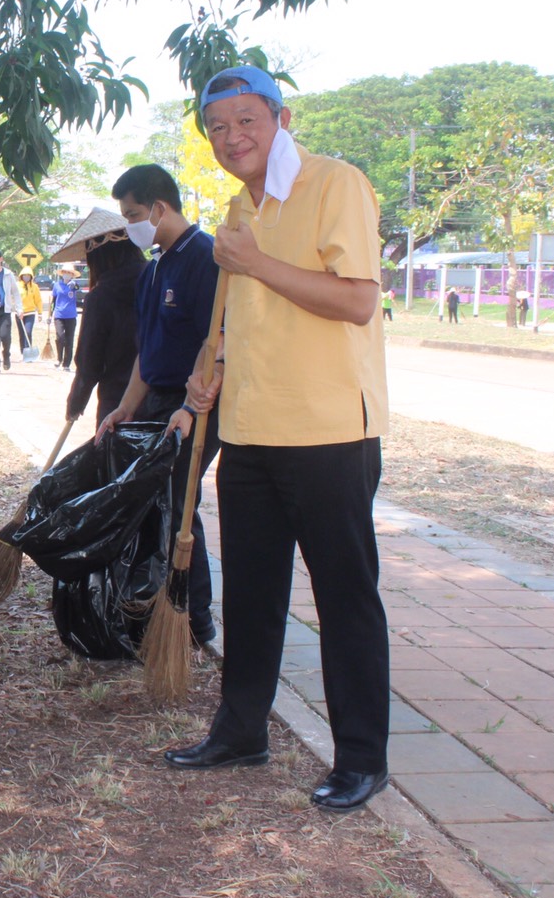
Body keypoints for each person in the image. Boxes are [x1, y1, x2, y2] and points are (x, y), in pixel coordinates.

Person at [163, 65, 391, 814]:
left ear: (281, 119)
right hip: (251, 433)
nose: (233, 137)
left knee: (344, 596)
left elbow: (357, 301)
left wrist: (257, 260)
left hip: (329, 432)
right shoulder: (236, 209)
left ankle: (360, 757)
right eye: (218, 127)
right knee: (254, 594)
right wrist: (209, 371)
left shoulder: (335, 184)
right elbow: (232, 319)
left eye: (246, 120)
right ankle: (241, 731)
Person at [95, 164, 220, 648]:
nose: (130, 227)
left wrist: (191, 405)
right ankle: (152, 608)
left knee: (179, 506)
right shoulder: (153, 270)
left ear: (160, 208)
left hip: (198, 401)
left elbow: (220, 342)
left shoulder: (204, 259)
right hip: (157, 402)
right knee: (151, 502)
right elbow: (147, 353)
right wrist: (125, 407)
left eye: (133, 215)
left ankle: (196, 623)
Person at [50, 209, 142, 426]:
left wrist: (76, 401)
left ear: (97, 255)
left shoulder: (103, 295)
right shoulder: (158, 277)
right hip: (164, 402)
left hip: (118, 402)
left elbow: (89, 360)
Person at [51, 265, 79, 370]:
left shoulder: (73, 285)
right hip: (59, 315)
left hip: (71, 316)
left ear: (72, 275)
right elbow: (53, 301)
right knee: (60, 337)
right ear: (62, 273)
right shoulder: (57, 285)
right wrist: (50, 315)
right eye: (65, 272)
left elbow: (77, 287)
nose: (67, 274)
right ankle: (59, 358)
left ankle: (66, 364)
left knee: (69, 340)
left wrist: (74, 285)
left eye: (69, 273)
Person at [17, 268, 40, 361]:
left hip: (30, 312)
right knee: (21, 333)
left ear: (31, 276)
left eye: (28, 275)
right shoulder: (17, 286)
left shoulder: (34, 287)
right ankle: (23, 352)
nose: (26, 277)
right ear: (21, 276)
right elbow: (13, 297)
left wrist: (40, 313)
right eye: (24, 275)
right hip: (19, 313)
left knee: (28, 331)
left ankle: (28, 353)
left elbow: (38, 300)